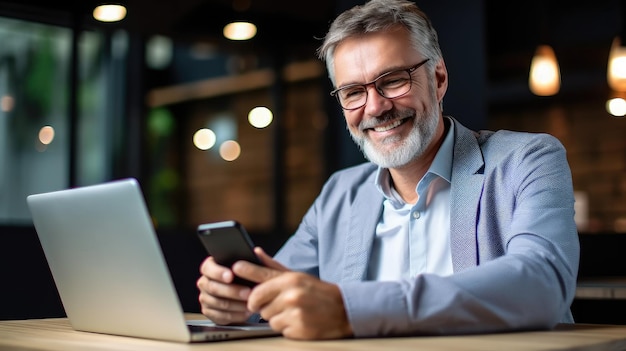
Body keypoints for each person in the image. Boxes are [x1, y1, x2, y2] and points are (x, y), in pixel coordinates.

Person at [197, 0, 580, 340]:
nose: (375, 107)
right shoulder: (339, 194)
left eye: (393, 80)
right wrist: (236, 298)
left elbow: (542, 285)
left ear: (439, 78)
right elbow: (275, 292)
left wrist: (350, 308)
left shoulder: (528, 159)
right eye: (353, 92)